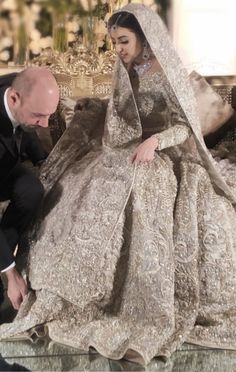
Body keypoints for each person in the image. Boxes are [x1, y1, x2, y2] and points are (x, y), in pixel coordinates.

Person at [1, 3, 236, 365]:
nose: (119, 49)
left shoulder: (167, 72)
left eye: (124, 41)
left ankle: (137, 301)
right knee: (86, 183)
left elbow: (185, 124)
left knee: (146, 186)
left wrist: (155, 142)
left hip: (165, 151)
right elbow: (123, 111)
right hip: (126, 146)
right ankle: (61, 289)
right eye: (114, 42)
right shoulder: (125, 68)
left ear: (144, 37)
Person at [0, 68, 59, 311]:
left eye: (48, 116)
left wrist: (43, 159)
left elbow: (25, 128)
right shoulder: (18, 97)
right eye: (39, 116)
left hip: (5, 165)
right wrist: (11, 275)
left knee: (31, 190)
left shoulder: (17, 86)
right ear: (13, 99)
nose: (44, 124)